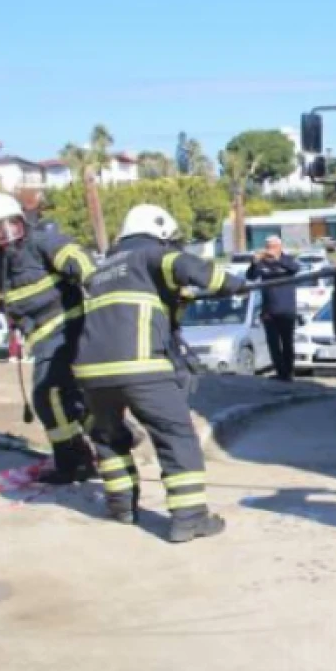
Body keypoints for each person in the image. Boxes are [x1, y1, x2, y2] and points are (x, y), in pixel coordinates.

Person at [73, 204, 248, 542]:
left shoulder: (102, 269)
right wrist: (231, 284)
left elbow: (142, 306)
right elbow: (185, 266)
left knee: (108, 436)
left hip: (92, 372)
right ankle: (190, 518)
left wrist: (178, 299)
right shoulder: (150, 253)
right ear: (161, 234)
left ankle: (121, 507)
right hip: (140, 366)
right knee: (175, 435)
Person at [0, 193, 98, 485]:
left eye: (12, 225)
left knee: (47, 395)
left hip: (66, 328)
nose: (7, 235)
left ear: (22, 222)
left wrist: (102, 291)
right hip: (41, 336)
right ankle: (111, 434)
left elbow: (80, 262)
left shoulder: (42, 242)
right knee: (67, 397)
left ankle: (73, 462)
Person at [246, 235, 301, 381]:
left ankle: (288, 372)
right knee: (273, 344)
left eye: (273, 247)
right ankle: (280, 372)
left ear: (280, 247)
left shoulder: (287, 260)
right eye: (268, 247)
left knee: (287, 342)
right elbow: (250, 276)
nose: (270, 250)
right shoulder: (262, 262)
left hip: (286, 309)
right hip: (269, 311)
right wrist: (254, 263)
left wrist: (277, 259)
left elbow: (295, 268)